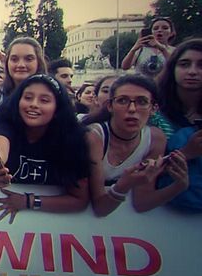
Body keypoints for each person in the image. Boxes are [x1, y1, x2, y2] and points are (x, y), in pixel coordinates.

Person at [0, 74, 91, 222]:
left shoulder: (73, 140)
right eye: (28, 98)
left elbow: (79, 200)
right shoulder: (6, 124)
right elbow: (1, 144)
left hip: (51, 225)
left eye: (44, 100)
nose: (34, 104)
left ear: (57, 107)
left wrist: (29, 201)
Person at [84, 75, 187, 215]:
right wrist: (124, 185)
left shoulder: (155, 138)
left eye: (142, 101)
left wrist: (179, 186)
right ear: (110, 106)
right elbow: (100, 208)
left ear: (154, 108)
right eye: (122, 100)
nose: (132, 108)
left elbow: (141, 202)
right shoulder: (94, 136)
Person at [152, 38, 202, 211]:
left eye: (201, 65)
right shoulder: (153, 113)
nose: (192, 72)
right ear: (172, 68)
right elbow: (138, 170)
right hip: (161, 210)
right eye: (184, 64)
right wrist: (186, 153)